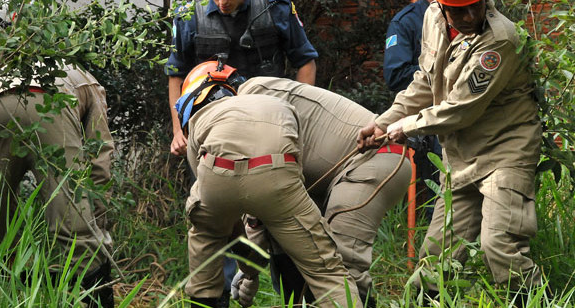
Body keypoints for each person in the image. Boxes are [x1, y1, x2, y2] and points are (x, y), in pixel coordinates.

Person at [358, 0, 543, 304]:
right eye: (459, 10)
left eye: (476, 6)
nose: (470, 16)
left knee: (499, 246)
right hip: (460, 155)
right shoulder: (432, 18)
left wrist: (405, 127)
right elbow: (425, 82)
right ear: (441, 6)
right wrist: (383, 123)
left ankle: (537, 300)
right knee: (436, 256)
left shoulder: (500, 39)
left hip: (506, 151)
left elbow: (461, 110)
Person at [176, 61, 361, 308]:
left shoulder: (200, 117)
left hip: (215, 174)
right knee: (325, 268)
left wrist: (245, 257)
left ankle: (205, 298)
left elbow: (203, 182)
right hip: (278, 173)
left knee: (205, 236)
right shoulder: (276, 103)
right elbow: (296, 162)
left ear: (191, 102)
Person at [0, 3, 115, 306]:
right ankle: (89, 296)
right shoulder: (83, 78)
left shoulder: (3, 68)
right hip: (53, 101)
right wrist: (96, 222)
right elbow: (100, 160)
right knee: (75, 226)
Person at [233, 76, 412, 307]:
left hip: (376, 157)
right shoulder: (248, 109)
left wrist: (250, 271)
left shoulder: (253, 102)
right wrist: (250, 272)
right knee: (290, 243)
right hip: (341, 172)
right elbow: (267, 212)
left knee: (338, 265)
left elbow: (264, 192)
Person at [165, 0, 318, 156]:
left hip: (272, 123)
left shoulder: (276, 7)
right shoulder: (189, 15)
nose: (222, 2)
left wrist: (299, 120)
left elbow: (306, 62)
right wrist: (179, 131)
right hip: (211, 129)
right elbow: (176, 74)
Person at [384, 0, 441, 220]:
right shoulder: (407, 21)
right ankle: (438, 253)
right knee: (439, 197)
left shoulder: (466, 11)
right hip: (430, 121)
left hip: (467, 115)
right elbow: (395, 75)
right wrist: (440, 67)